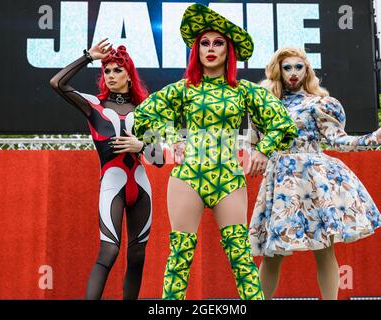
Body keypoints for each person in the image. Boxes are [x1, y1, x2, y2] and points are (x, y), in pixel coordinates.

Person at [133, 4, 298, 300]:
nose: (210, 49)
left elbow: (283, 124)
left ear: (228, 50)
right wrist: (171, 136)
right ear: (196, 50)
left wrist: (263, 150)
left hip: (229, 179)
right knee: (179, 258)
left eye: (218, 43)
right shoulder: (182, 89)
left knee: (241, 258)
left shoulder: (244, 91)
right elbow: (142, 118)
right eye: (204, 43)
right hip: (187, 178)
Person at [249, 47, 381, 300]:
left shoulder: (318, 103)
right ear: (278, 71)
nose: (293, 73)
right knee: (272, 253)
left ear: (307, 71)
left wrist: (373, 138)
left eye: (298, 67)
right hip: (281, 182)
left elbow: (338, 140)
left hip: (313, 181)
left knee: (324, 249)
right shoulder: (264, 105)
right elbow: (253, 144)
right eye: (287, 68)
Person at [50, 40, 161, 299]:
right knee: (109, 251)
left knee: (137, 256)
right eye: (107, 71)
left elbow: (157, 160)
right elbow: (57, 83)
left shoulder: (146, 111)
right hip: (112, 184)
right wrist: (88, 56)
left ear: (129, 76)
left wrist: (140, 145)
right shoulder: (93, 105)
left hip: (141, 187)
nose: (111, 76)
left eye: (117, 70)